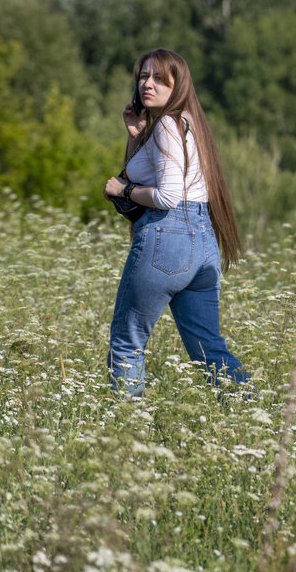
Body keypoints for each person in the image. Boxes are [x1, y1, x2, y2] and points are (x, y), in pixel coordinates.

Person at [103, 48, 249, 397]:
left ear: (177, 84)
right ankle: (253, 418)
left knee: (127, 342)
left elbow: (168, 196)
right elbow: (167, 174)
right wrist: (137, 135)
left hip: (166, 238)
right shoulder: (187, 122)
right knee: (208, 351)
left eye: (157, 78)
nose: (146, 84)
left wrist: (123, 188)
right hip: (203, 243)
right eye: (142, 77)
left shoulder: (168, 124)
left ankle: (125, 433)